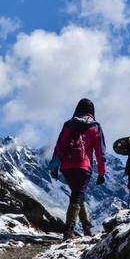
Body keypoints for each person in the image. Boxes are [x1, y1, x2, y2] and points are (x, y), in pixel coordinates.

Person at [49, 98, 106, 241]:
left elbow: (59, 146)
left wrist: (54, 167)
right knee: (77, 196)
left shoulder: (68, 124)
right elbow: (100, 151)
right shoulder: (95, 126)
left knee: (79, 195)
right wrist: (101, 172)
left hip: (67, 167)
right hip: (83, 166)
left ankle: (87, 229)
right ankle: (68, 232)